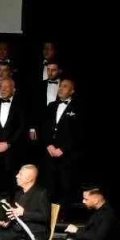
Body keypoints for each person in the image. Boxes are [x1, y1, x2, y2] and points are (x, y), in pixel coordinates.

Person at [40, 77, 83, 206]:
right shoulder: (51, 106)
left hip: (67, 155)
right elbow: (44, 127)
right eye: (60, 86)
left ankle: (63, 213)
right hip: (50, 152)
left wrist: (63, 148)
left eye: (65, 86)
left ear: (72, 91)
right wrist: (48, 145)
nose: (60, 88)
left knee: (65, 186)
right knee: (49, 184)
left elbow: (79, 133)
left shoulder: (78, 108)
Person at [0, 78, 26, 193]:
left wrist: (9, 143)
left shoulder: (20, 106)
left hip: (13, 150)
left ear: (13, 90)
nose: (3, 89)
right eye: (1, 87)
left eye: (6, 87)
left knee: (12, 180)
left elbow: (21, 128)